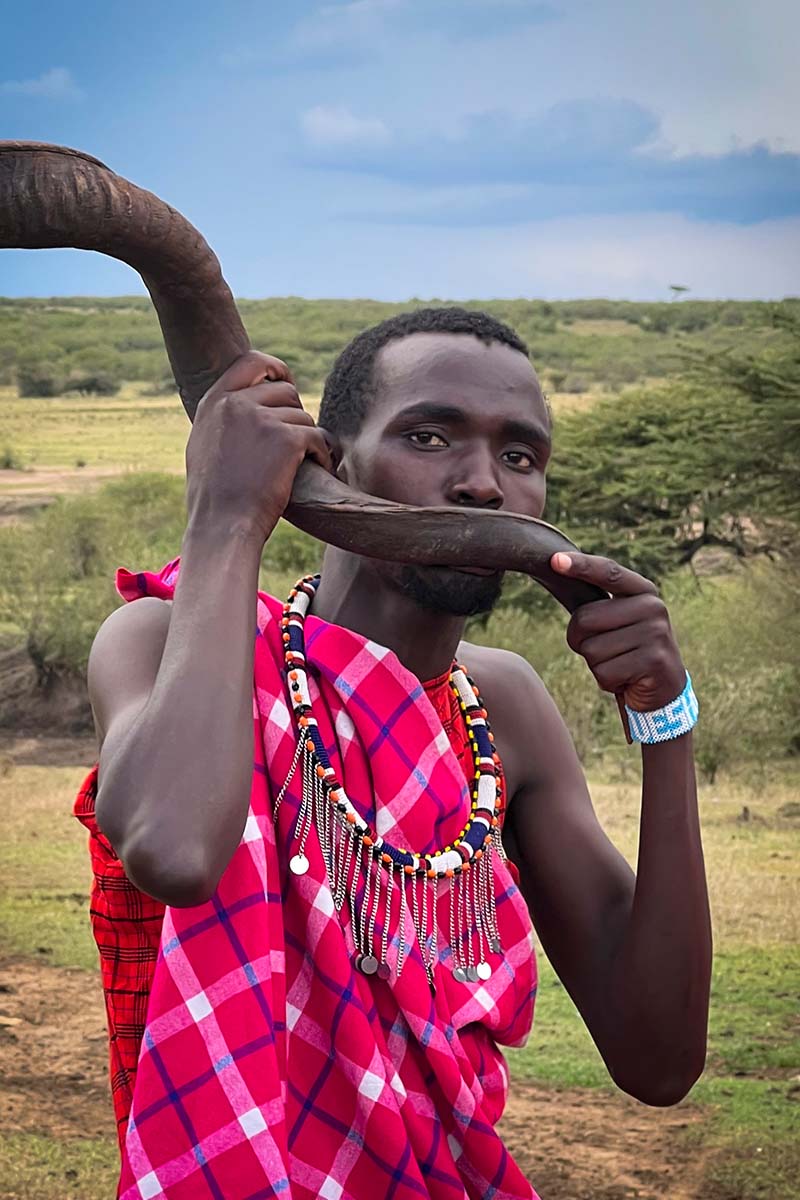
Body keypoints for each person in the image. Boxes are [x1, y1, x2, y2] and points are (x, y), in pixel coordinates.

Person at [75, 307, 712, 1200]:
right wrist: (226, 519)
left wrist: (666, 726)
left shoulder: (507, 707)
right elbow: (175, 850)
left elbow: (658, 1059)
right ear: (328, 463)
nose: (484, 484)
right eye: (429, 436)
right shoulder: (161, 639)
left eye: (521, 458)